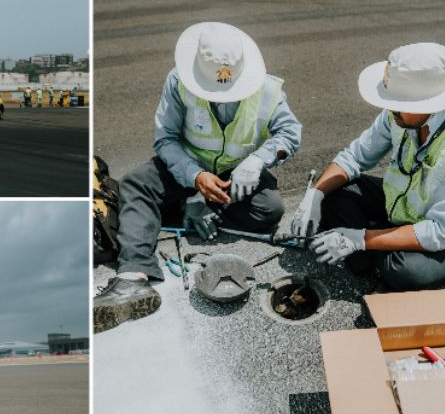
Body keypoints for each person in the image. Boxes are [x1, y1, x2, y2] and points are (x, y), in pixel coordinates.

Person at [94, 22, 302, 333]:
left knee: (269, 209)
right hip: (187, 166)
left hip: (236, 172)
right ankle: (133, 277)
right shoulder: (179, 82)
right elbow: (165, 139)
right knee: (136, 185)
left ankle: (193, 213)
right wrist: (195, 179)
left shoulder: (268, 90)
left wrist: (258, 160)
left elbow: (290, 133)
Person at [291, 42, 445, 290]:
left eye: (399, 104)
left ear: (432, 104)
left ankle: (371, 250)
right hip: (403, 205)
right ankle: (378, 248)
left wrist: (359, 239)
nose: (390, 108)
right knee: (334, 193)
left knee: (406, 271)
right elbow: (355, 156)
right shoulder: (398, 114)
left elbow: (440, 231)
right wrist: (315, 194)